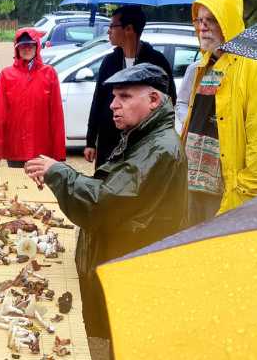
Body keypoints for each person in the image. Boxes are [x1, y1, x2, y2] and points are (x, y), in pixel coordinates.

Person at [25, 63, 187, 339]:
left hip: (136, 272)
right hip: (132, 263)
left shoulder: (158, 148)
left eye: (124, 96)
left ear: (153, 100)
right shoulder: (144, 136)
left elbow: (103, 202)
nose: (113, 105)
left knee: (129, 347)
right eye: (114, 97)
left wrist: (59, 172)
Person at [183, 0, 257, 225]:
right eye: (199, 20)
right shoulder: (206, 63)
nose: (203, 28)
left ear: (228, 21)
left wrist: (243, 197)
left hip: (226, 195)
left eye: (211, 20)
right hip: (192, 188)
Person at [84, 5, 176, 169]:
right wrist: (91, 141)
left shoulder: (156, 61)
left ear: (128, 29)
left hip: (142, 141)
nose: (108, 31)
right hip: (109, 140)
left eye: (112, 26)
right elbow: (98, 101)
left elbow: (170, 101)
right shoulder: (109, 62)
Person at [0, 28, 66, 167]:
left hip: (41, 148)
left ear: (37, 46)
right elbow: (0, 115)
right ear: (16, 49)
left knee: (40, 186)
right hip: (15, 147)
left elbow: (56, 115)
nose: (26, 49)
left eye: (30, 45)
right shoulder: (6, 75)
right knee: (16, 186)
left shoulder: (49, 73)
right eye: (22, 46)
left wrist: (59, 151)